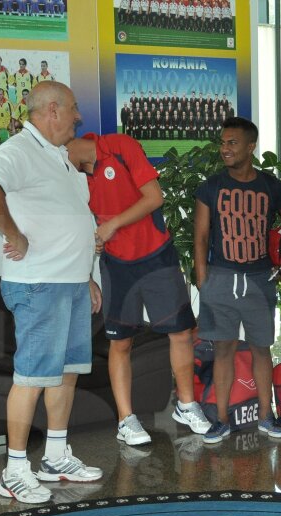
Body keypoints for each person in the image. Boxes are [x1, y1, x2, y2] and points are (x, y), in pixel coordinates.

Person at [0, 81, 104, 504]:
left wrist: (85, 273)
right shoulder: (19, 150)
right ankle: (13, 470)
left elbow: (68, 219)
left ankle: (56, 456)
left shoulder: (60, 158)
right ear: (52, 110)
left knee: (65, 373)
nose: (79, 117)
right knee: (31, 378)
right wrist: (13, 233)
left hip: (70, 282)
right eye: (74, 109)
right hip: (38, 284)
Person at [63, 131, 210, 449]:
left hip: (157, 255)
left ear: (67, 146)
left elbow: (154, 197)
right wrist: (87, 273)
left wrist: (113, 224)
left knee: (182, 332)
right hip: (116, 266)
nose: (60, 166)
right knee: (121, 343)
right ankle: (126, 420)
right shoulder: (72, 177)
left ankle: (186, 405)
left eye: (60, 158)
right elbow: (78, 227)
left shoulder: (119, 146)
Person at [193, 117, 281, 442]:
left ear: (250, 146)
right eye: (223, 143)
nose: (225, 149)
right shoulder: (211, 186)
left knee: (261, 349)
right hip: (221, 278)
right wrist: (202, 278)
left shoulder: (270, 185)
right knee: (223, 349)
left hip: (259, 279)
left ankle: (267, 418)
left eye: (232, 143)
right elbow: (200, 235)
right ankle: (221, 420)